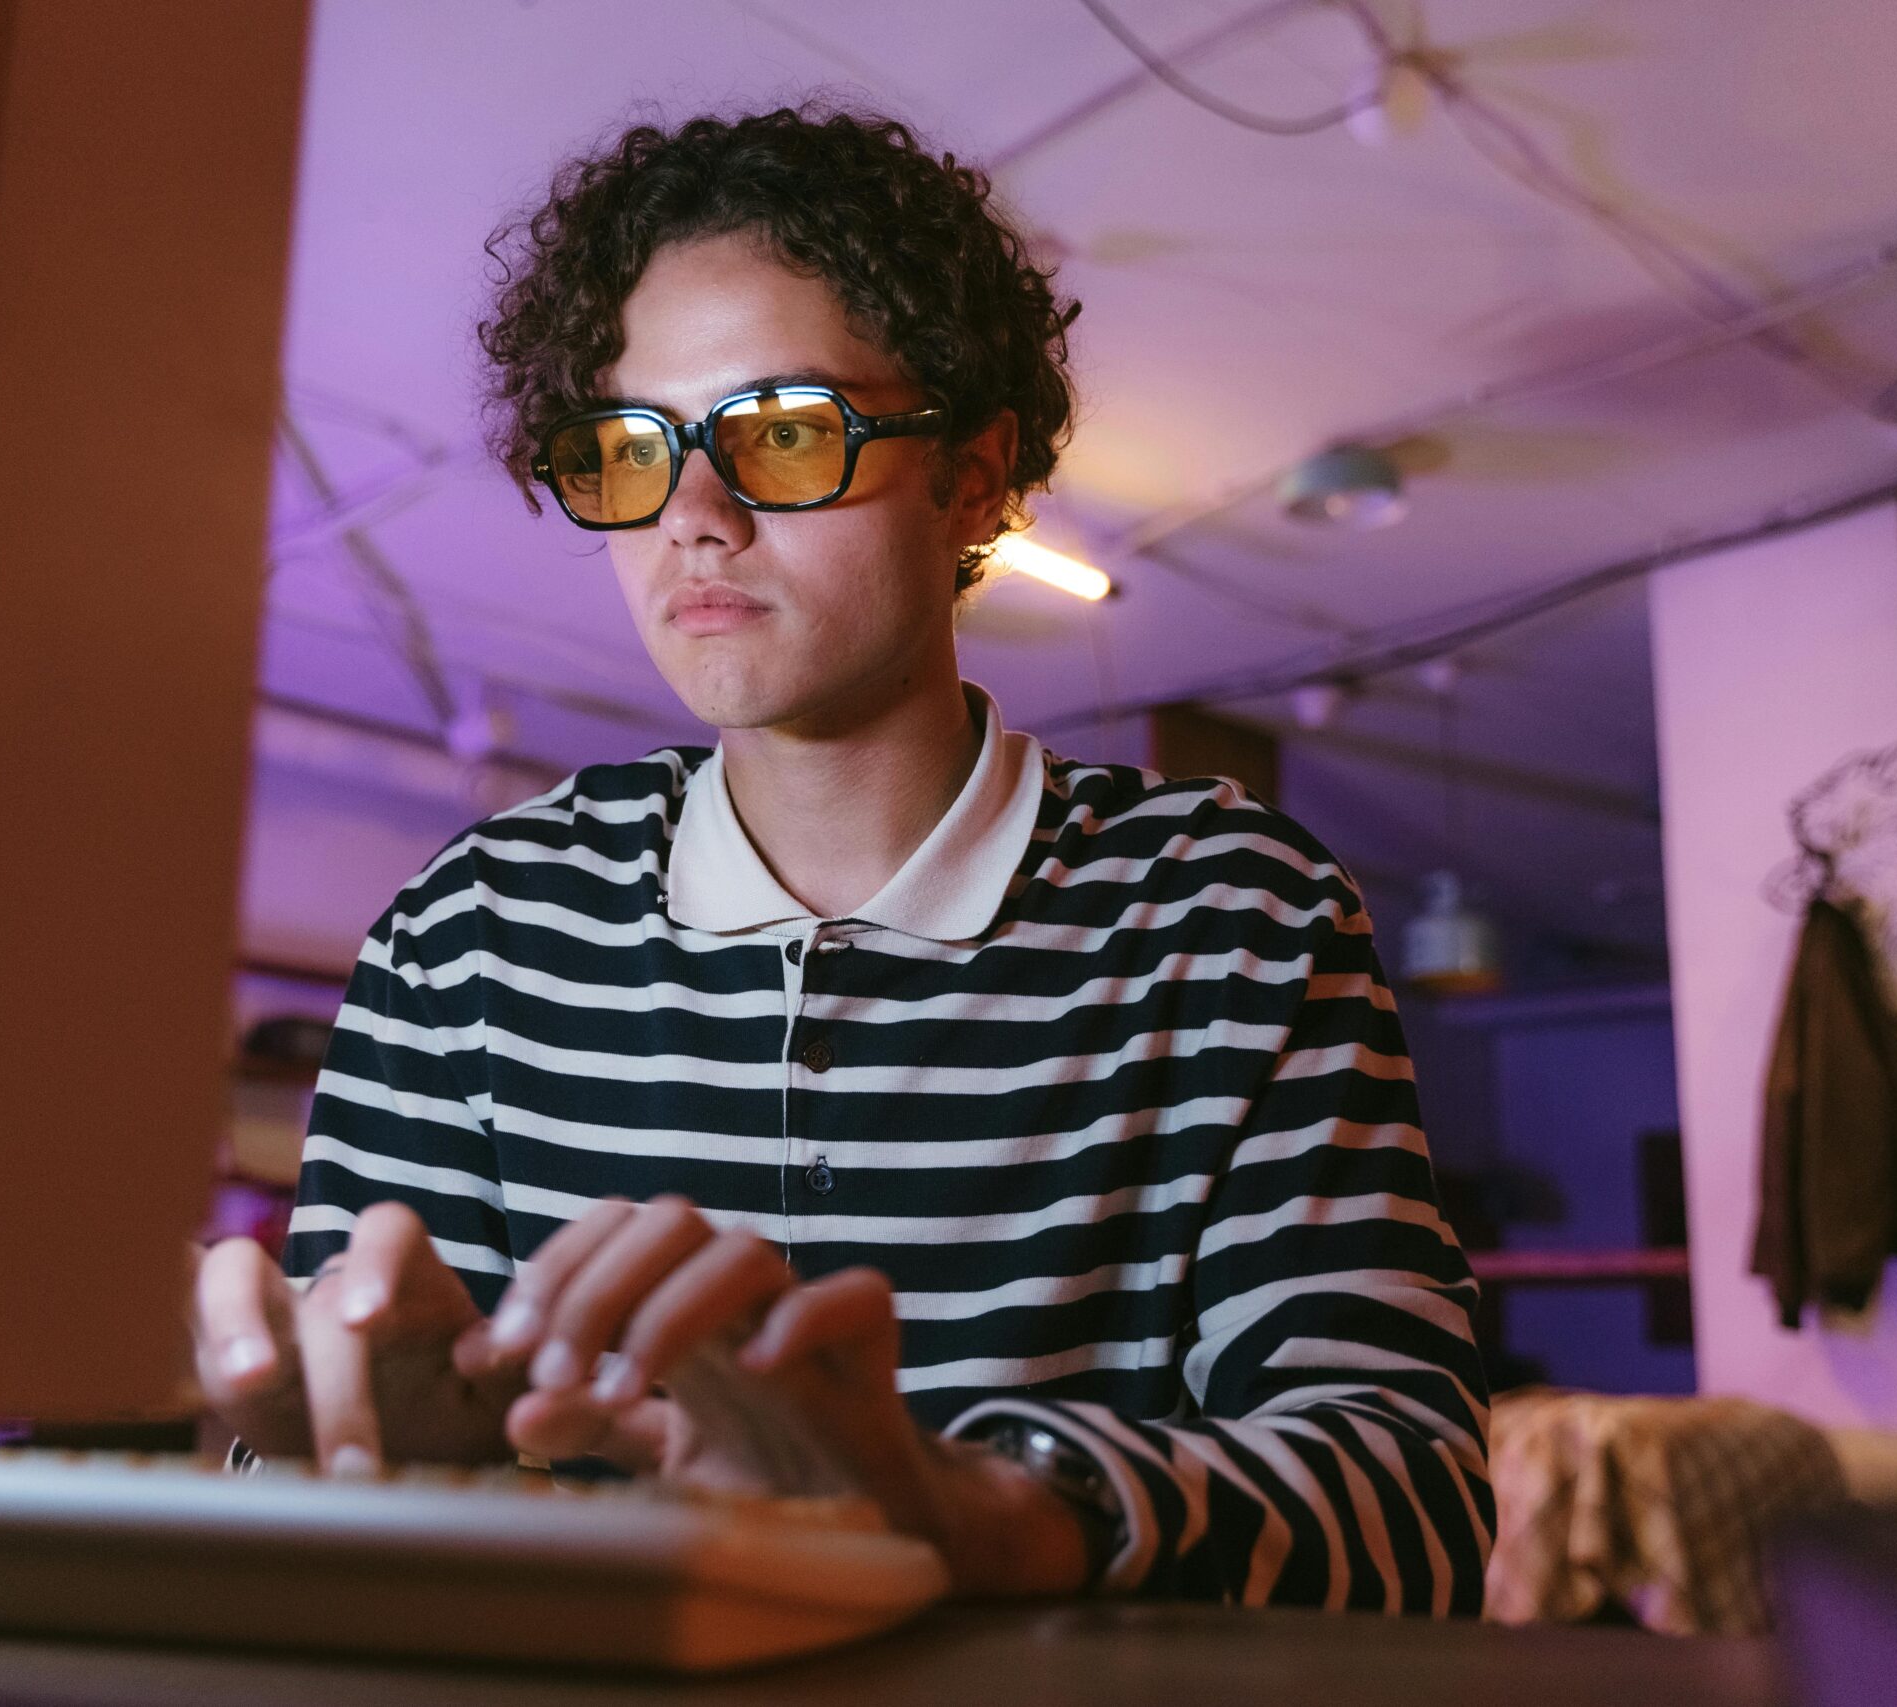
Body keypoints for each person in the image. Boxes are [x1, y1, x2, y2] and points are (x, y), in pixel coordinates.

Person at [193, 105, 1491, 1609]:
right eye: (629, 450)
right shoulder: (471, 939)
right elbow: (317, 1505)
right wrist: (361, 1473)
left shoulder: (1229, 916)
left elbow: (1413, 1505)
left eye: (787, 433)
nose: (694, 515)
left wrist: (977, 1506)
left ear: (977, 478)